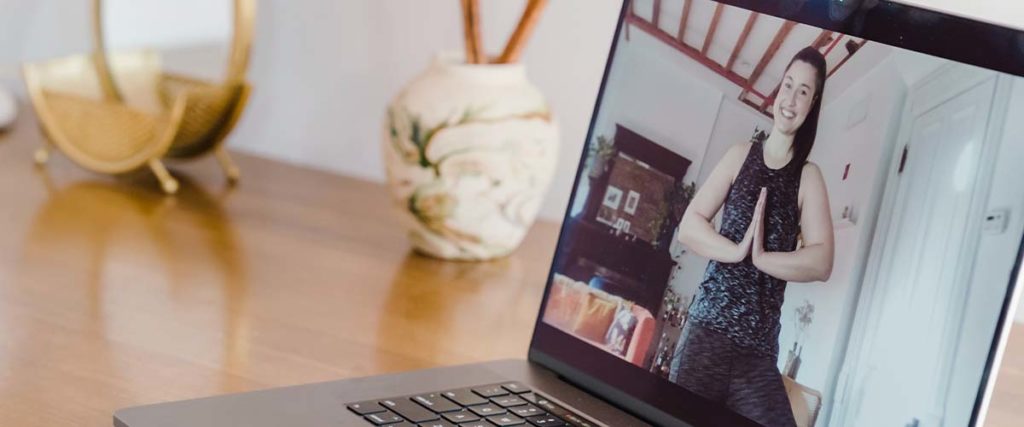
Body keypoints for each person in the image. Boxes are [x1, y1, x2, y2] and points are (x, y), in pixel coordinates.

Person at [670, 47, 835, 427]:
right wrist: (736, 250)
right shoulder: (739, 155)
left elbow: (822, 260)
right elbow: (690, 227)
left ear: (813, 105)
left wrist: (763, 259)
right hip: (705, 337)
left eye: (804, 92)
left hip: (757, 354)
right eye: (788, 85)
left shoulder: (808, 177)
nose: (791, 100)